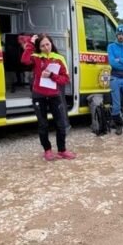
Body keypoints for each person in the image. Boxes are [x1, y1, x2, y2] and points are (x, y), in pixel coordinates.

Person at [20, 33, 75, 161]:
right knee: (43, 125)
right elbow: (24, 60)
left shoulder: (59, 58)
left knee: (61, 124)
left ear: (51, 43)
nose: (46, 47)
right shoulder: (36, 57)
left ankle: (62, 150)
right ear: (39, 47)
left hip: (54, 95)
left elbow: (66, 79)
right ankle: (47, 150)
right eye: (42, 45)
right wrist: (30, 45)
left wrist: (52, 76)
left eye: (48, 44)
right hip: (39, 96)